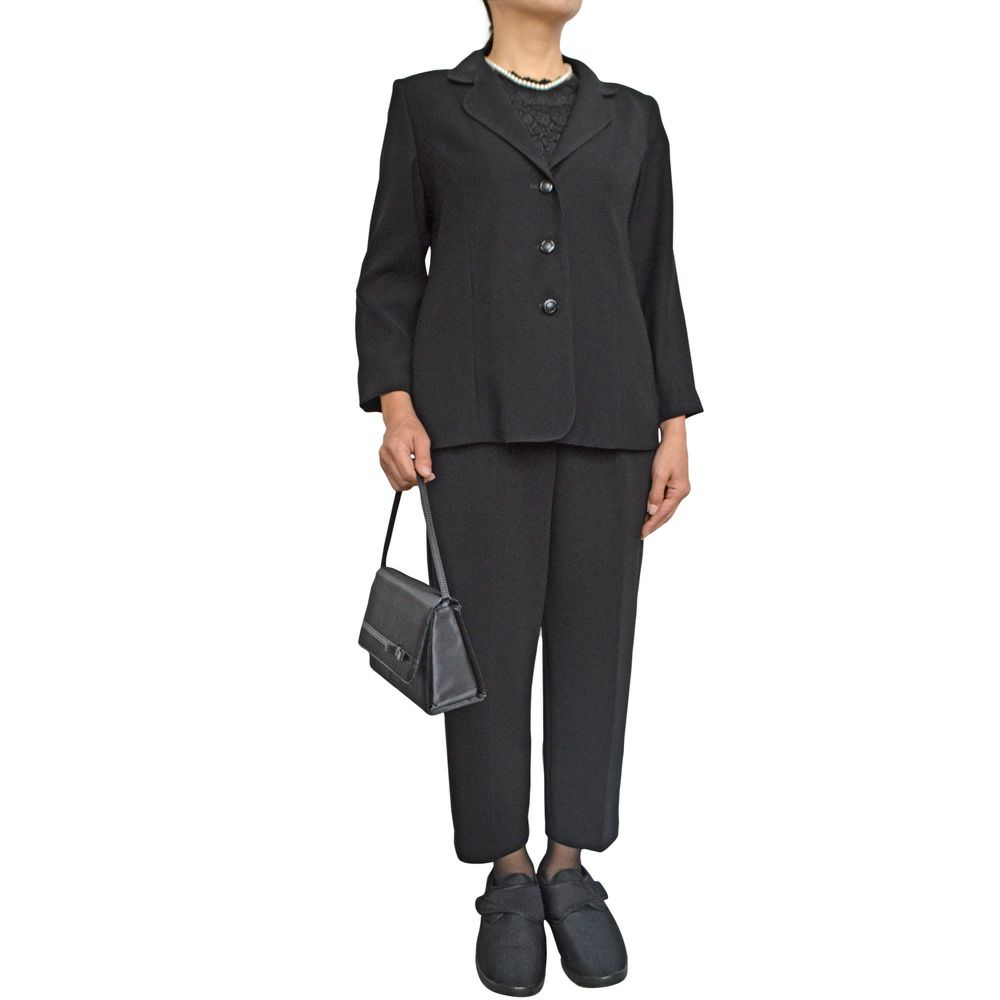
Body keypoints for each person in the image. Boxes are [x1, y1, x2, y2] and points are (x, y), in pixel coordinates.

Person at [354, 0, 702, 993]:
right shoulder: (428, 105)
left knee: (597, 649)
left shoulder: (632, 117)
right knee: (488, 659)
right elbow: (390, 269)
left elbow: (653, 275)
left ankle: (569, 864)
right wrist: (395, 404)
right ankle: (506, 869)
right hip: (472, 424)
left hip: (611, 421)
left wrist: (675, 421)